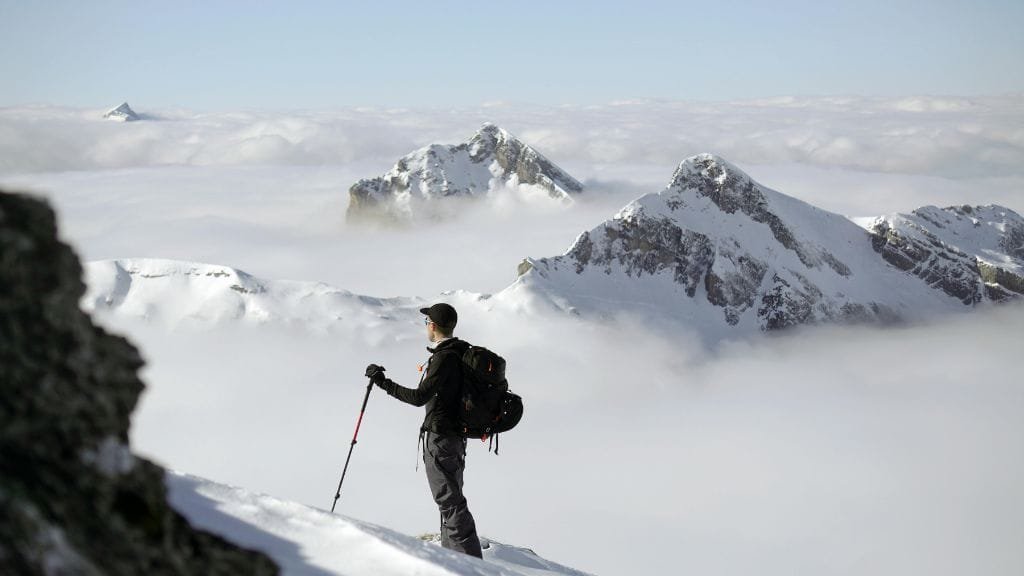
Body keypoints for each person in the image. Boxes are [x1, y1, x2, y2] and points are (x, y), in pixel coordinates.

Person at [365, 303, 483, 558]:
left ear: (432, 325)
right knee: (450, 501)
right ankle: (456, 562)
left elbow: (419, 397)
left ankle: (473, 565)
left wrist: (382, 382)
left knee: (450, 503)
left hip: (441, 438)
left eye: (426, 321)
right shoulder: (462, 352)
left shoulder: (445, 357)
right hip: (455, 438)